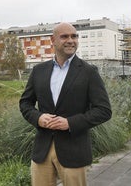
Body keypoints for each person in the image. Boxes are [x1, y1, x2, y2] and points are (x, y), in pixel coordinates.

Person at [19, 22, 112, 186]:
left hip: (74, 151)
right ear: (53, 40)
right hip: (42, 150)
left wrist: (69, 123)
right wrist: (38, 118)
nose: (71, 40)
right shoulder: (38, 71)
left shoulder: (89, 72)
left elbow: (103, 110)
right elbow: (25, 103)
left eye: (74, 36)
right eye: (65, 36)